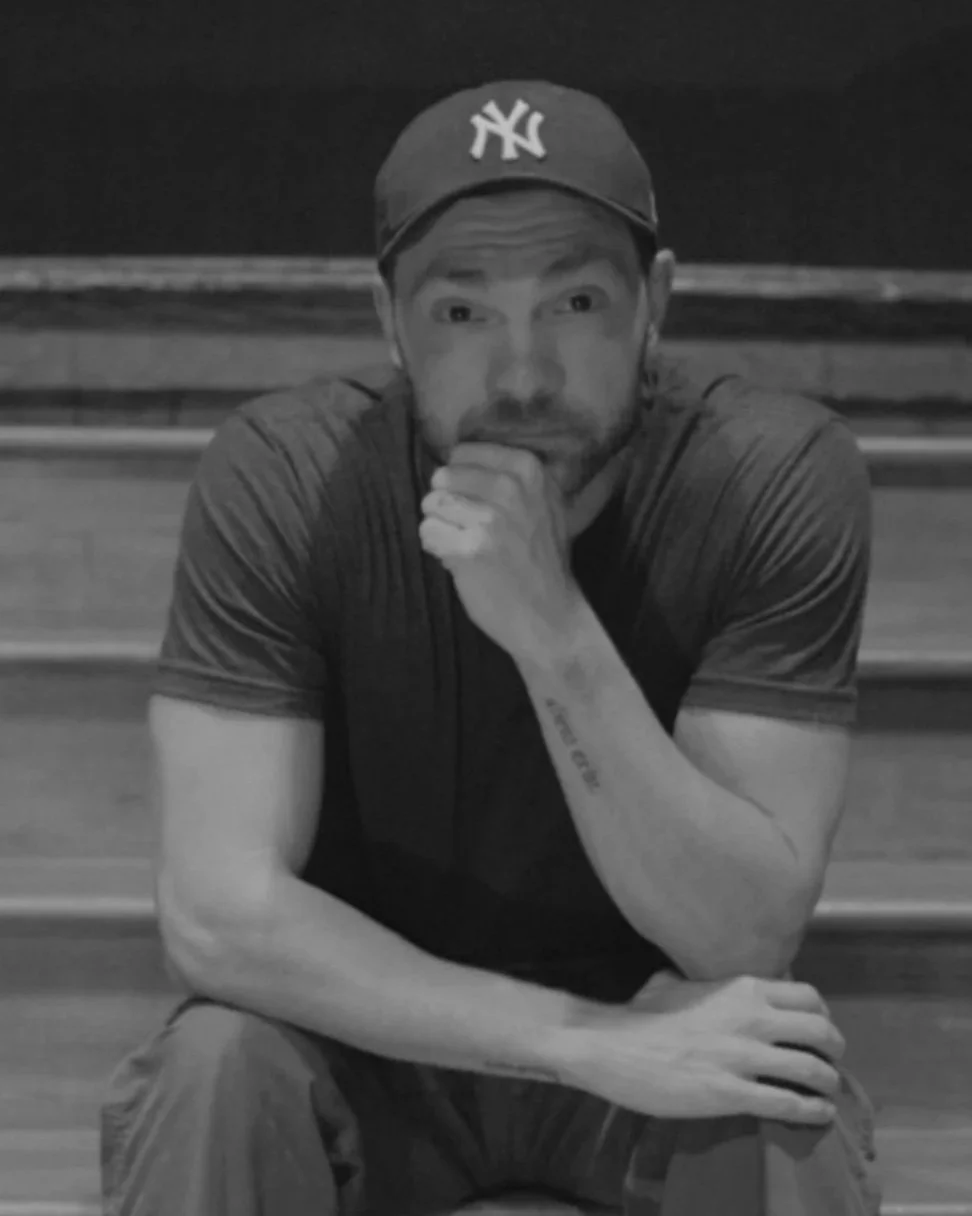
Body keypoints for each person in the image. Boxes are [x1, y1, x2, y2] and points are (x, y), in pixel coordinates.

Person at [100, 79, 881, 1214]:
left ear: (655, 301)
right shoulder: (284, 476)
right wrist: (576, 1040)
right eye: (463, 314)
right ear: (389, 321)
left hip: (670, 1028)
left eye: (574, 302)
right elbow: (220, 915)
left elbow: (742, 932)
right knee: (213, 1070)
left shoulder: (771, 476)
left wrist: (554, 631)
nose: (523, 378)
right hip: (365, 1032)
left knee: (769, 1101)